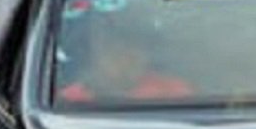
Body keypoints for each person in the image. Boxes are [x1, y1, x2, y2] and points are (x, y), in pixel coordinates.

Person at [57, 10, 192, 105]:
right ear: (97, 55)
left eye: (135, 53)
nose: (126, 61)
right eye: (117, 53)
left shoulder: (172, 92)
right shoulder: (68, 103)